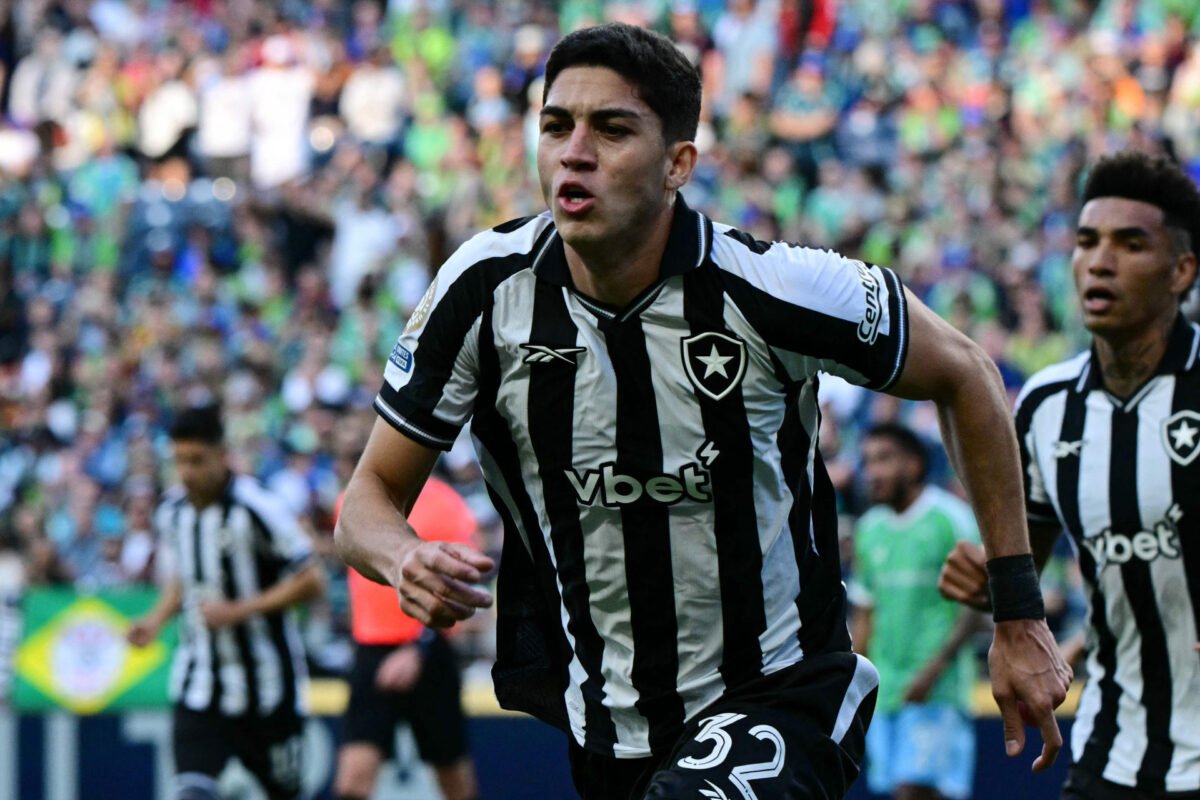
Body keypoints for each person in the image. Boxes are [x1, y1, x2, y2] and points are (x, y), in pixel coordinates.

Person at [335, 22, 1070, 800]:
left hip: (778, 695)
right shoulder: (484, 290)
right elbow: (364, 505)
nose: (574, 152)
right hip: (606, 720)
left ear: (678, 163)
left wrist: (1018, 610)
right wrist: (403, 558)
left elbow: (967, 371)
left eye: (612, 129)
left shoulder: (769, 288)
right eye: (556, 125)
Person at [938, 150, 1200, 800]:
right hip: (1113, 752)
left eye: (1130, 243)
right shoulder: (1048, 407)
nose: (1100, 260)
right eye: (1087, 242)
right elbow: (1023, 559)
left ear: (1182, 271)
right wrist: (993, 579)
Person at [127, 404, 324, 800]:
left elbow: (311, 581)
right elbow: (186, 576)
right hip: (200, 687)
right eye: (179, 461)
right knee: (191, 794)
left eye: (197, 460)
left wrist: (240, 610)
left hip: (267, 691)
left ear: (222, 454)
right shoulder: (172, 511)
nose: (186, 472)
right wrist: (155, 620)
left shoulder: (258, 509)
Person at [848, 424, 985, 800]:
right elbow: (865, 613)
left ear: (914, 464)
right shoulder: (869, 529)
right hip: (887, 689)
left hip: (936, 690)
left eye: (883, 459)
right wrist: (855, 686)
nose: (872, 472)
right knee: (900, 791)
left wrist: (933, 669)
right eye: (867, 461)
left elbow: (976, 604)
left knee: (915, 790)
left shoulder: (950, 518)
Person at [333, 474, 481, 800]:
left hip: (428, 646)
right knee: (352, 779)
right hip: (371, 649)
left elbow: (457, 583)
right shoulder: (350, 500)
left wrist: (419, 647)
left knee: (452, 775)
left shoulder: (444, 502)